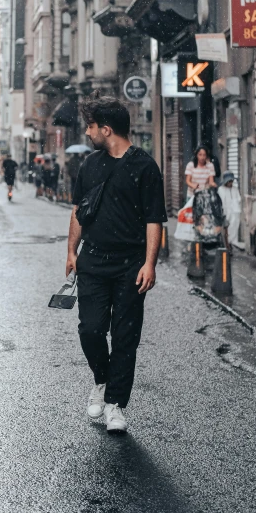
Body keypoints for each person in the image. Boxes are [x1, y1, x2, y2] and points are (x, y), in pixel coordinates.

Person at [66, 92, 167, 434]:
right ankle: (102, 381)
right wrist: (71, 251)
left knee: (125, 337)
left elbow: (155, 219)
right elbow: (80, 210)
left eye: (91, 127)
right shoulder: (90, 165)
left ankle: (115, 405)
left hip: (130, 264)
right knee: (91, 329)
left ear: (106, 130)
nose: (88, 133)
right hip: (93, 260)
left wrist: (149, 263)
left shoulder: (144, 166)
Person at [218, 171, 242, 252]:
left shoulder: (235, 189)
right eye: (228, 181)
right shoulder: (221, 189)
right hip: (226, 211)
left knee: (234, 227)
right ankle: (227, 245)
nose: (230, 183)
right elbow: (220, 202)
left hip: (235, 212)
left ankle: (232, 243)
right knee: (226, 228)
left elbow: (238, 199)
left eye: (231, 181)